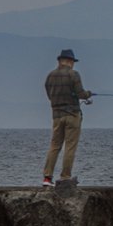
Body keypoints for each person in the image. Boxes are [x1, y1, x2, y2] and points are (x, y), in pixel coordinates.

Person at [42, 48, 92, 186]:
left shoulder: (50, 76)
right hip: (72, 115)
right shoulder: (73, 74)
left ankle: (47, 178)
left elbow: (49, 95)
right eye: (73, 61)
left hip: (57, 116)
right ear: (69, 61)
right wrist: (89, 94)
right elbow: (81, 94)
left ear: (60, 61)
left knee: (54, 145)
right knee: (70, 146)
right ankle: (65, 177)